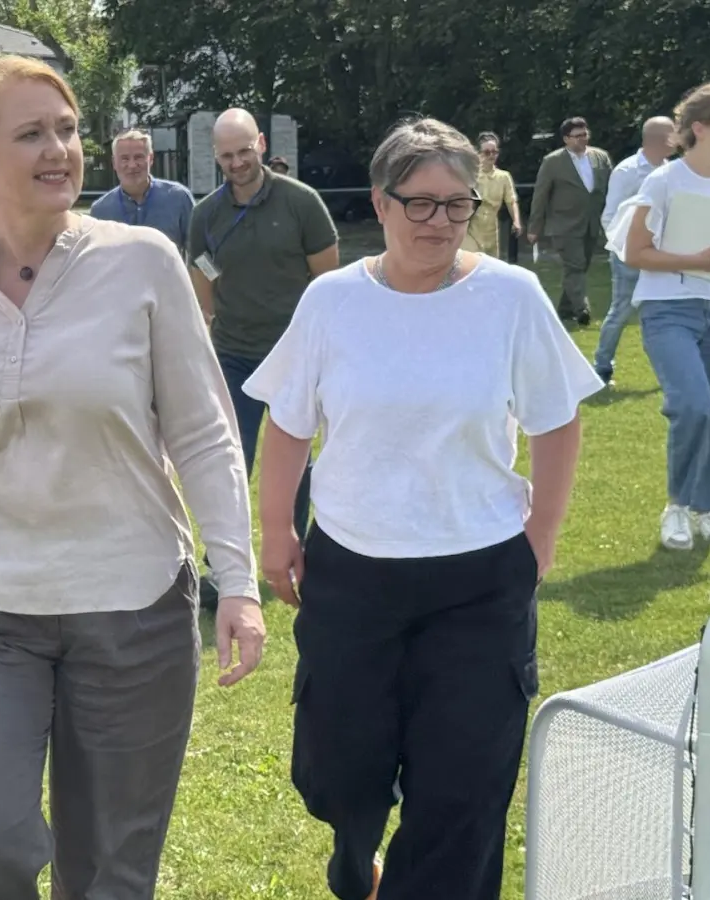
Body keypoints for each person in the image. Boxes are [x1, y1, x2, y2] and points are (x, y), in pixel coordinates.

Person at [0, 56, 264, 899]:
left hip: (130, 607)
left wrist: (235, 582)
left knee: (109, 872)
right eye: (31, 133)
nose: (60, 148)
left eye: (66, 130)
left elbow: (205, 431)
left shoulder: (145, 261)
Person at [250, 116, 601, 900]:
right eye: (422, 204)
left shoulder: (512, 296)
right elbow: (288, 425)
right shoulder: (332, 301)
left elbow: (557, 419)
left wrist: (538, 539)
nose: (441, 222)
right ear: (381, 202)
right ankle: (353, 848)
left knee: (464, 792)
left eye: (457, 204)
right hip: (352, 573)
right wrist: (276, 533)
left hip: (478, 579)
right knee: (339, 772)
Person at [185, 107, 339, 605]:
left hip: (295, 356)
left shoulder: (301, 203)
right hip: (234, 356)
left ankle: (292, 550)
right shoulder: (206, 213)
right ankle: (223, 570)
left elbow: (327, 281)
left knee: (295, 460)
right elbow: (202, 278)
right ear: (216, 158)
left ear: (262, 144)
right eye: (226, 156)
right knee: (230, 458)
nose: (237, 163)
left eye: (244, 151)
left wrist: (319, 349)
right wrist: (208, 334)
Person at [608, 83, 710, 551]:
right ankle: (677, 506)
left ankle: (706, 509)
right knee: (693, 406)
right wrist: (694, 260)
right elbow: (634, 252)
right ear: (699, 129)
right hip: (669, 310)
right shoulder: (663, 181)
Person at [593, 116, 676, 384]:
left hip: (660, 255)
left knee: (660, 311)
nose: (679, 139)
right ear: (662, 140)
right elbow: (609, 216)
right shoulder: (627, 171)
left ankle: (666, 371)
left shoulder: (670, 170)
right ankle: (602, 367)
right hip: (628, 254)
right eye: (673, 134)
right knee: (621, 311)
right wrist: (625, 252)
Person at [527, 116, 613, 325]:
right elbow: (541, 195)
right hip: (564, 225)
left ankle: (564, 309)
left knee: (580, 268)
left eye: (585, 134)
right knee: (575, 266)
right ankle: (582, 309)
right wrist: (534, 227)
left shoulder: (600, 158)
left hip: (592, 224)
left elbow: (612, 189)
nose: (582, 139)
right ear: (566, 139)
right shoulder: (553, 162)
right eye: (577, 136)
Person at [88, 129, 196, 253]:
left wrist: (209, 273)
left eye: (138, 157)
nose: (132, 165)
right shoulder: (100, 211)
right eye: (124, 159)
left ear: (150, 159)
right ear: (114, 163)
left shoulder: (179, 198)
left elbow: (200, 252)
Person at [460, 132, 521, 257]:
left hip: (492, 230)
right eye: (487, 152)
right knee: (471, 264)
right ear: (478, 154)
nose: (491, 155)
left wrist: (516, 221)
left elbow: (511, 200)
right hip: (471, 229)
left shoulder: (503, 176)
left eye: (495, 152)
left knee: (490, 267)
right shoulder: (471, 175)